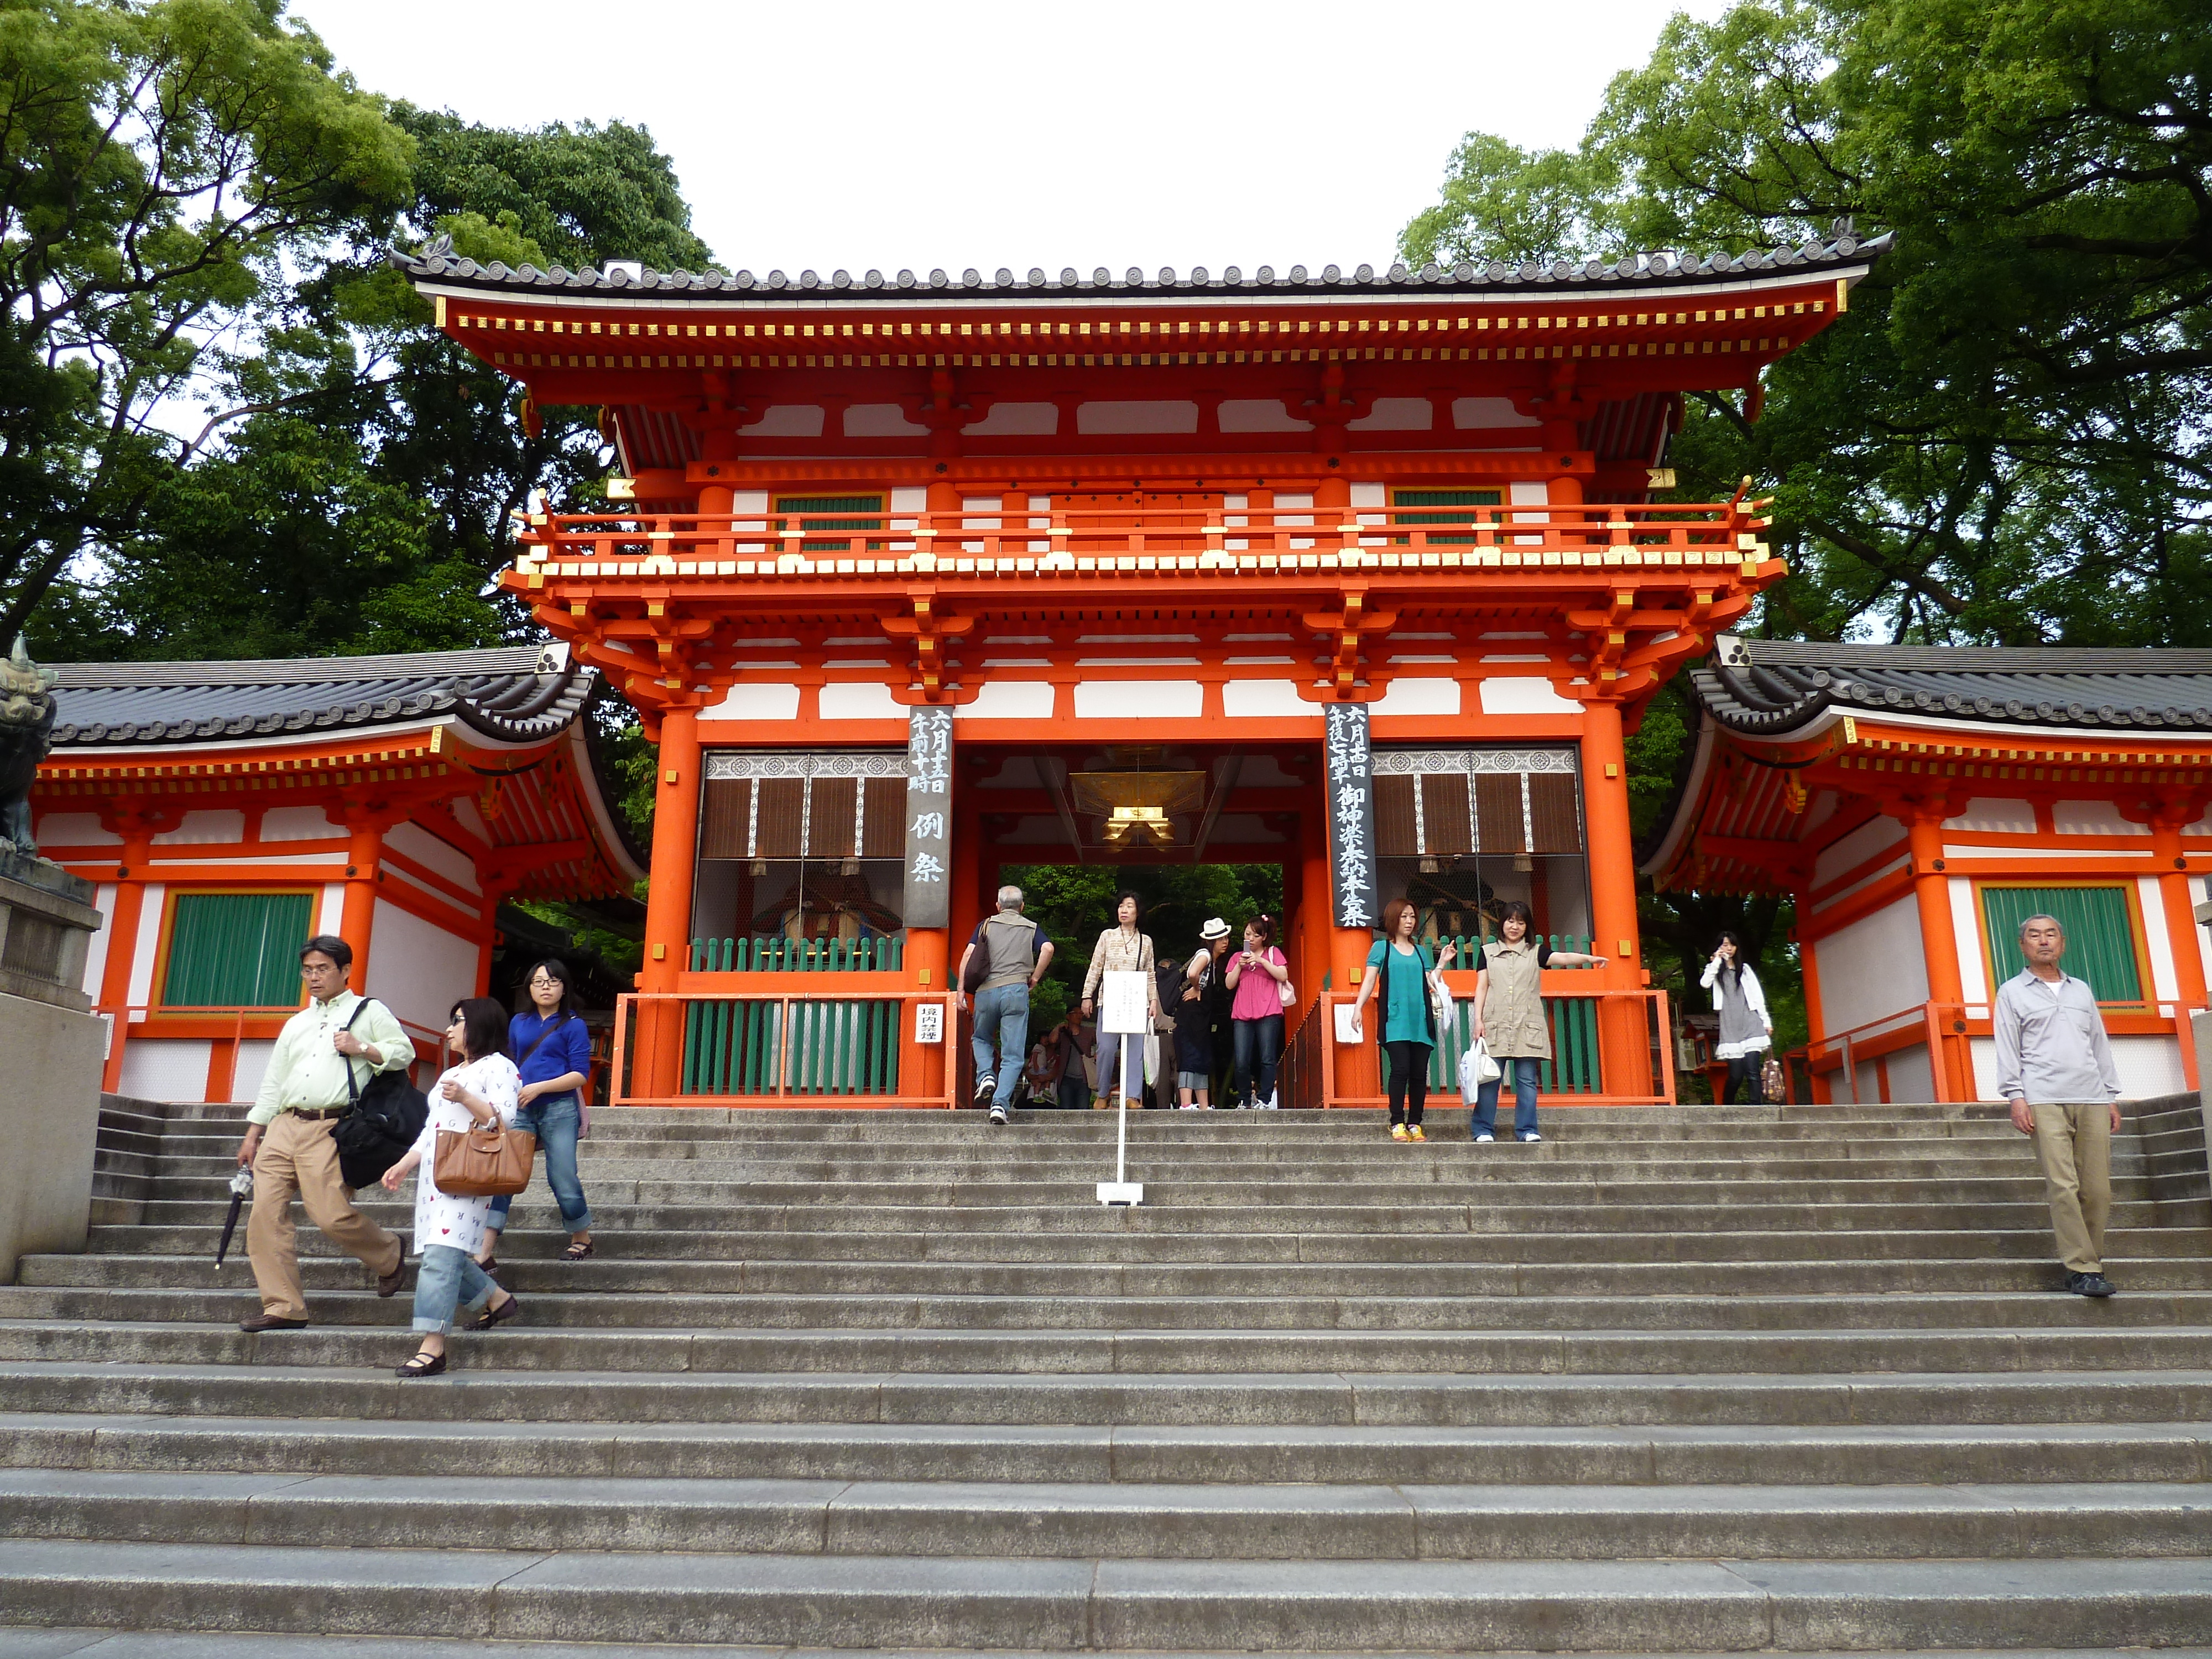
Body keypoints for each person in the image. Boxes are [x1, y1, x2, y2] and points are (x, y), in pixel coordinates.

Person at [233, 935, 410, 1331]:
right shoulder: (298, 1022)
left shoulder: (369, 1011)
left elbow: (404, 1052)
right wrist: (253, 1134)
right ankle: (283, 1306)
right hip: (283, 1124)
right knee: (264, 1216)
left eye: (323, 969)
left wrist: (361, 1046)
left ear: (345, 971)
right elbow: (274, 1080)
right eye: (308, 970)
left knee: (329, 1215)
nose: (313, 977)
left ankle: (388, 1253)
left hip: (331, 1126)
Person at [380, 998, 523, 1377]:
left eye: (457, 1021)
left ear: (479, 1025)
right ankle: (496, 1299)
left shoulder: (500, 1067)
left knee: (440, 1258)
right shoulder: (451, 1072)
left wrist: (466, 1097)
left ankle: (433, 1345)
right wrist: (405, 1164)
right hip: (434, 1176)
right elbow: (432, 1129)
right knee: (447, 1253)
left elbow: (504, 1119)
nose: (449, 1029)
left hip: (469, 1174)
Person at [1993, 912, 2123, 1298]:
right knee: (2063, 1185)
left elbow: (2098, 1043)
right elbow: (2007, 1047)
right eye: (2035, 935)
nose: (2044, 941)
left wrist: (2111, 1095)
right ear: (2023, 945)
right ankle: (2083, 1267)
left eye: (2051, 934)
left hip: (2092, 1096)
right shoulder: (2012, 992)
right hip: (2043, 1097)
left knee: (2098, 1189)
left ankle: (2091, 1262)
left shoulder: (2081, 990)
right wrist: (2016, 1096)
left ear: (2062, 943)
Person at [478, 958, 595, 1269]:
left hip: (559, 1108)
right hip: (522, 1109)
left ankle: (581, 1237)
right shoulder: (518, 1022)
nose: (546, 988)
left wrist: (540, 1087)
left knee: (563, 1177)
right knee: (506, 1176)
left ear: (564, 988)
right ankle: (484, 1251)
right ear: (529, 988)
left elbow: (580, 1074)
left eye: (553, 982)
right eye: (538, 982)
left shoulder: (574, 1025)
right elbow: (513, 1063)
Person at [1471, 901, 1607, 1144]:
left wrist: (1591, 957)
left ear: (1527, 926)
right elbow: (1482, 987)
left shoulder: (1536, 952)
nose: (1515, 927)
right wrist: (1478, 1020)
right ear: (1502, 923)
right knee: (1490, 1079)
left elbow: (1564, 957)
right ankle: (1483, 1129)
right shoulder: (1486, 951)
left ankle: (1527, 1130)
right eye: (1510, 921)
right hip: (1495, 1023)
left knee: (1527, 1081)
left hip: (1527, 1024)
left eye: (1521, 922)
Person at [1350, 899, 1455, 1140]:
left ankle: (1415, 1123)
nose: (1409, 922)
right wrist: (1358, 1008)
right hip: (1395, 1019)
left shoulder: (1420, 951)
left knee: (1419, 1073)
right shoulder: (1382, 949)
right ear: (1393, 919)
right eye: (1404, 917)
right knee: (1400, 1070)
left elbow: (1430, 982)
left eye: (1412, 917)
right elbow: (1369, 981)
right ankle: (1397, 1121)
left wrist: (1442, 963)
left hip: (1420, 1018)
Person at [957, 884, 1054, 1126]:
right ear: (1022, 907)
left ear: (998, 906)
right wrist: (1036, 977)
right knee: (1013, 1055)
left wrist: (961, 990)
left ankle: (987, 1076)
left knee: (980, 1038)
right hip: (1016, 991)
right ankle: (999, 1105)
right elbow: (1048, 948)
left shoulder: (986, 925)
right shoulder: (1031, 928)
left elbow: (968, 956)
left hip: (987, 992)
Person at [1080, 891, 1160, 1110]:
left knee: (1135, 1051)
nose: (1124, 910)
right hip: (1111, 998)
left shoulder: (1146, 941)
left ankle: (1132, 1095)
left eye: (1129, 907)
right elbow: (1096, 967)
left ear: (1138, 912)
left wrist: (1153, 1000)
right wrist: (1088, 995)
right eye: (1121, 906)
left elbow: (1150, 973)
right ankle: (1103, 1092)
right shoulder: (1107, 936)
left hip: (1136, 1000)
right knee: (1105, 1047)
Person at [1224, 914, 1290, 1110]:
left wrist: (1261, 961)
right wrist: (1239, 966)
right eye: (1247, 934)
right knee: (1242, 1059)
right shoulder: (1238, 957)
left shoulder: (1272, 953)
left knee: (1267, 1057)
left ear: (1264, 937)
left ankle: (1265, 1099)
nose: (1250, 939)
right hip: (1243, 1012)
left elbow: (1283, 975)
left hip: (1269, 1010)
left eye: (1254, 935)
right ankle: (1245, 1100)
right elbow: (1229, 984)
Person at [1702, 931, 1775, 1104]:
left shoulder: (1745, 969)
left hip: (1751, 1023)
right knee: (1735, 1075)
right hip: (1730, 1026)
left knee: (1752, 1071)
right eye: (1725, 945)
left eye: (1732, 945)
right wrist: (1717, 961)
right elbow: (1705, 983)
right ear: (1719, 947)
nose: (1729, 948)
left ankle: (1757, 1108)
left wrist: (1766, 1022)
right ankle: (1727, 1106)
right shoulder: (1715, 970)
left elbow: (1758, 997)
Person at [1175, 919, 1234, 1108]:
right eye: (1220, 938)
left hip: (1201, 1018)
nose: (1225, 941)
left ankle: (1204, 1106)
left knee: (1202, 1059)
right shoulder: (1205, 955)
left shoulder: (1214, 962)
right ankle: (1185, 1104)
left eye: (1226, 937)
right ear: (1211, 941)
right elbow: (1193, 972)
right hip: (1191, 1016)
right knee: (1190, 1058)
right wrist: (1196, 988)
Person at [1048, 1006, 1095, 1111]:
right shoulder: (1063, 1033)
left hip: (1084, 1079)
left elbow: (1101, 1044)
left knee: (1083, 1110)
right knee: (1066, 1109)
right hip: (1066, 1079)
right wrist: (1058, 1027)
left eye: (1081, 1014)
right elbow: (1052, 1041)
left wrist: (1097, 1055)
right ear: (1068, 1016)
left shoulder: (1089, 1032)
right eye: (1076, 1013)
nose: (1079, 1016)